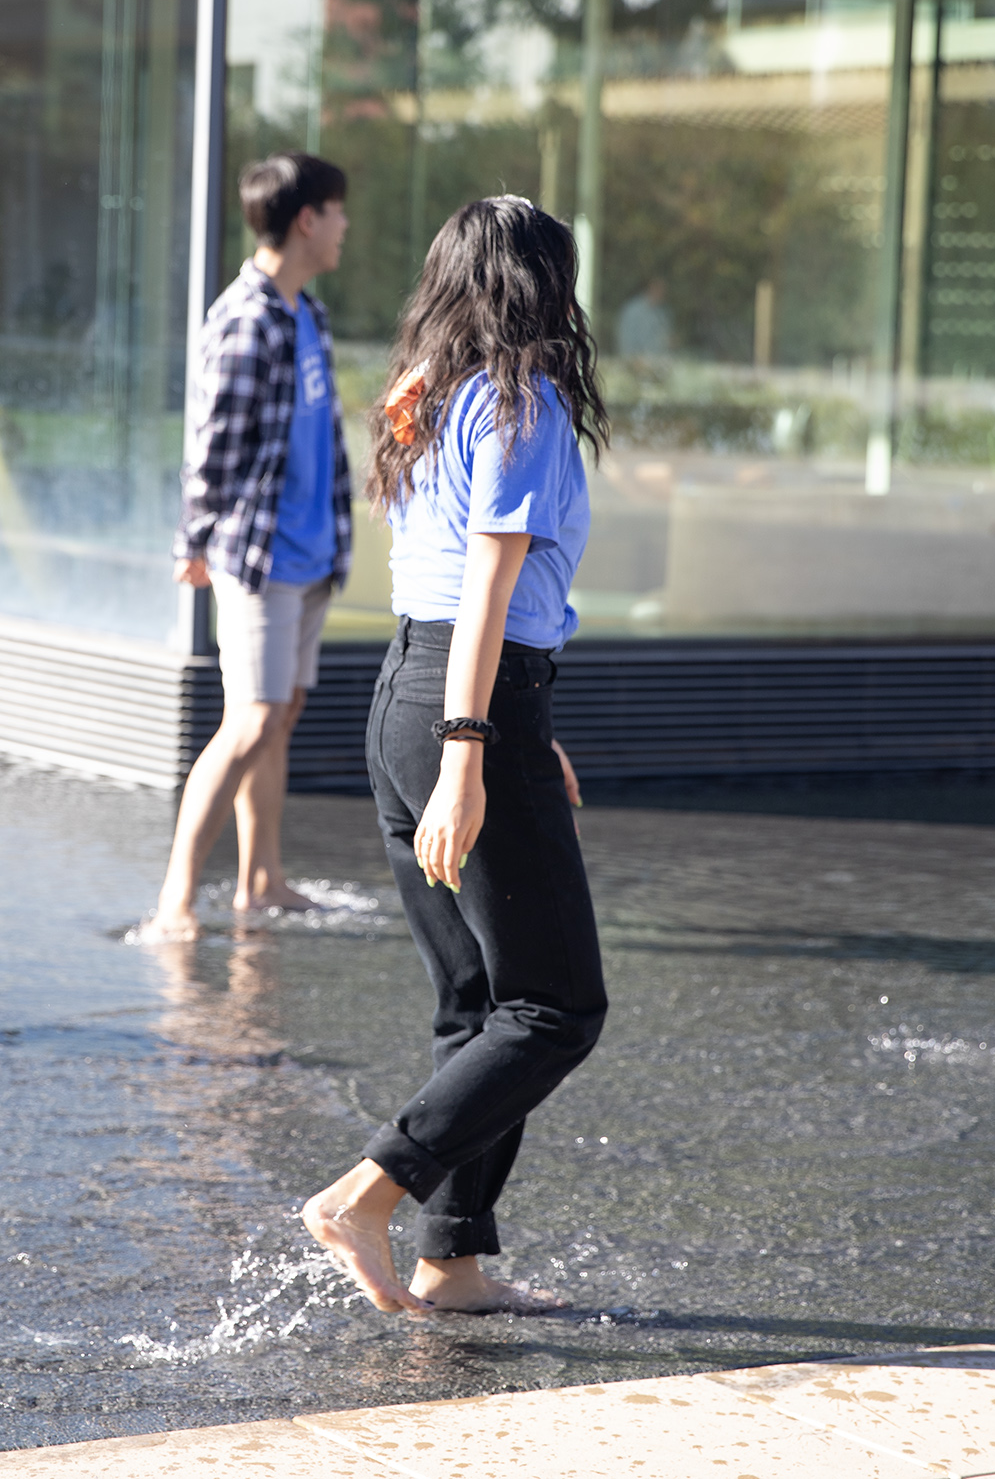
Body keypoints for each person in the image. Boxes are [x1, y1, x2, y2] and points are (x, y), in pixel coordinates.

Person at [301, 196, 603, 1315]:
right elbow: (487, 580)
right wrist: (477, 744)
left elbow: (455, 590)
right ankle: (366, 1195)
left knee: (477, 998)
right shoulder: (519, 404)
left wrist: (519, 732)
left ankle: (454, 1258)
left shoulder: (429, 397)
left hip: (406, 694)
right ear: (543, 282)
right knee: (555, 1006)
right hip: (463, 704)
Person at [150, 152, 354, 937]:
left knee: (280, 714)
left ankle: (261, 878)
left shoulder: (310, 313)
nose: (344, 228)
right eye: (336, 212)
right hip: (260, 555)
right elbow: (213, 448)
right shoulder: (246, 318)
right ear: (307, 219)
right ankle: (176, 893)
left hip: (310, 552)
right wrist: (193, 538)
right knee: (249, 718)